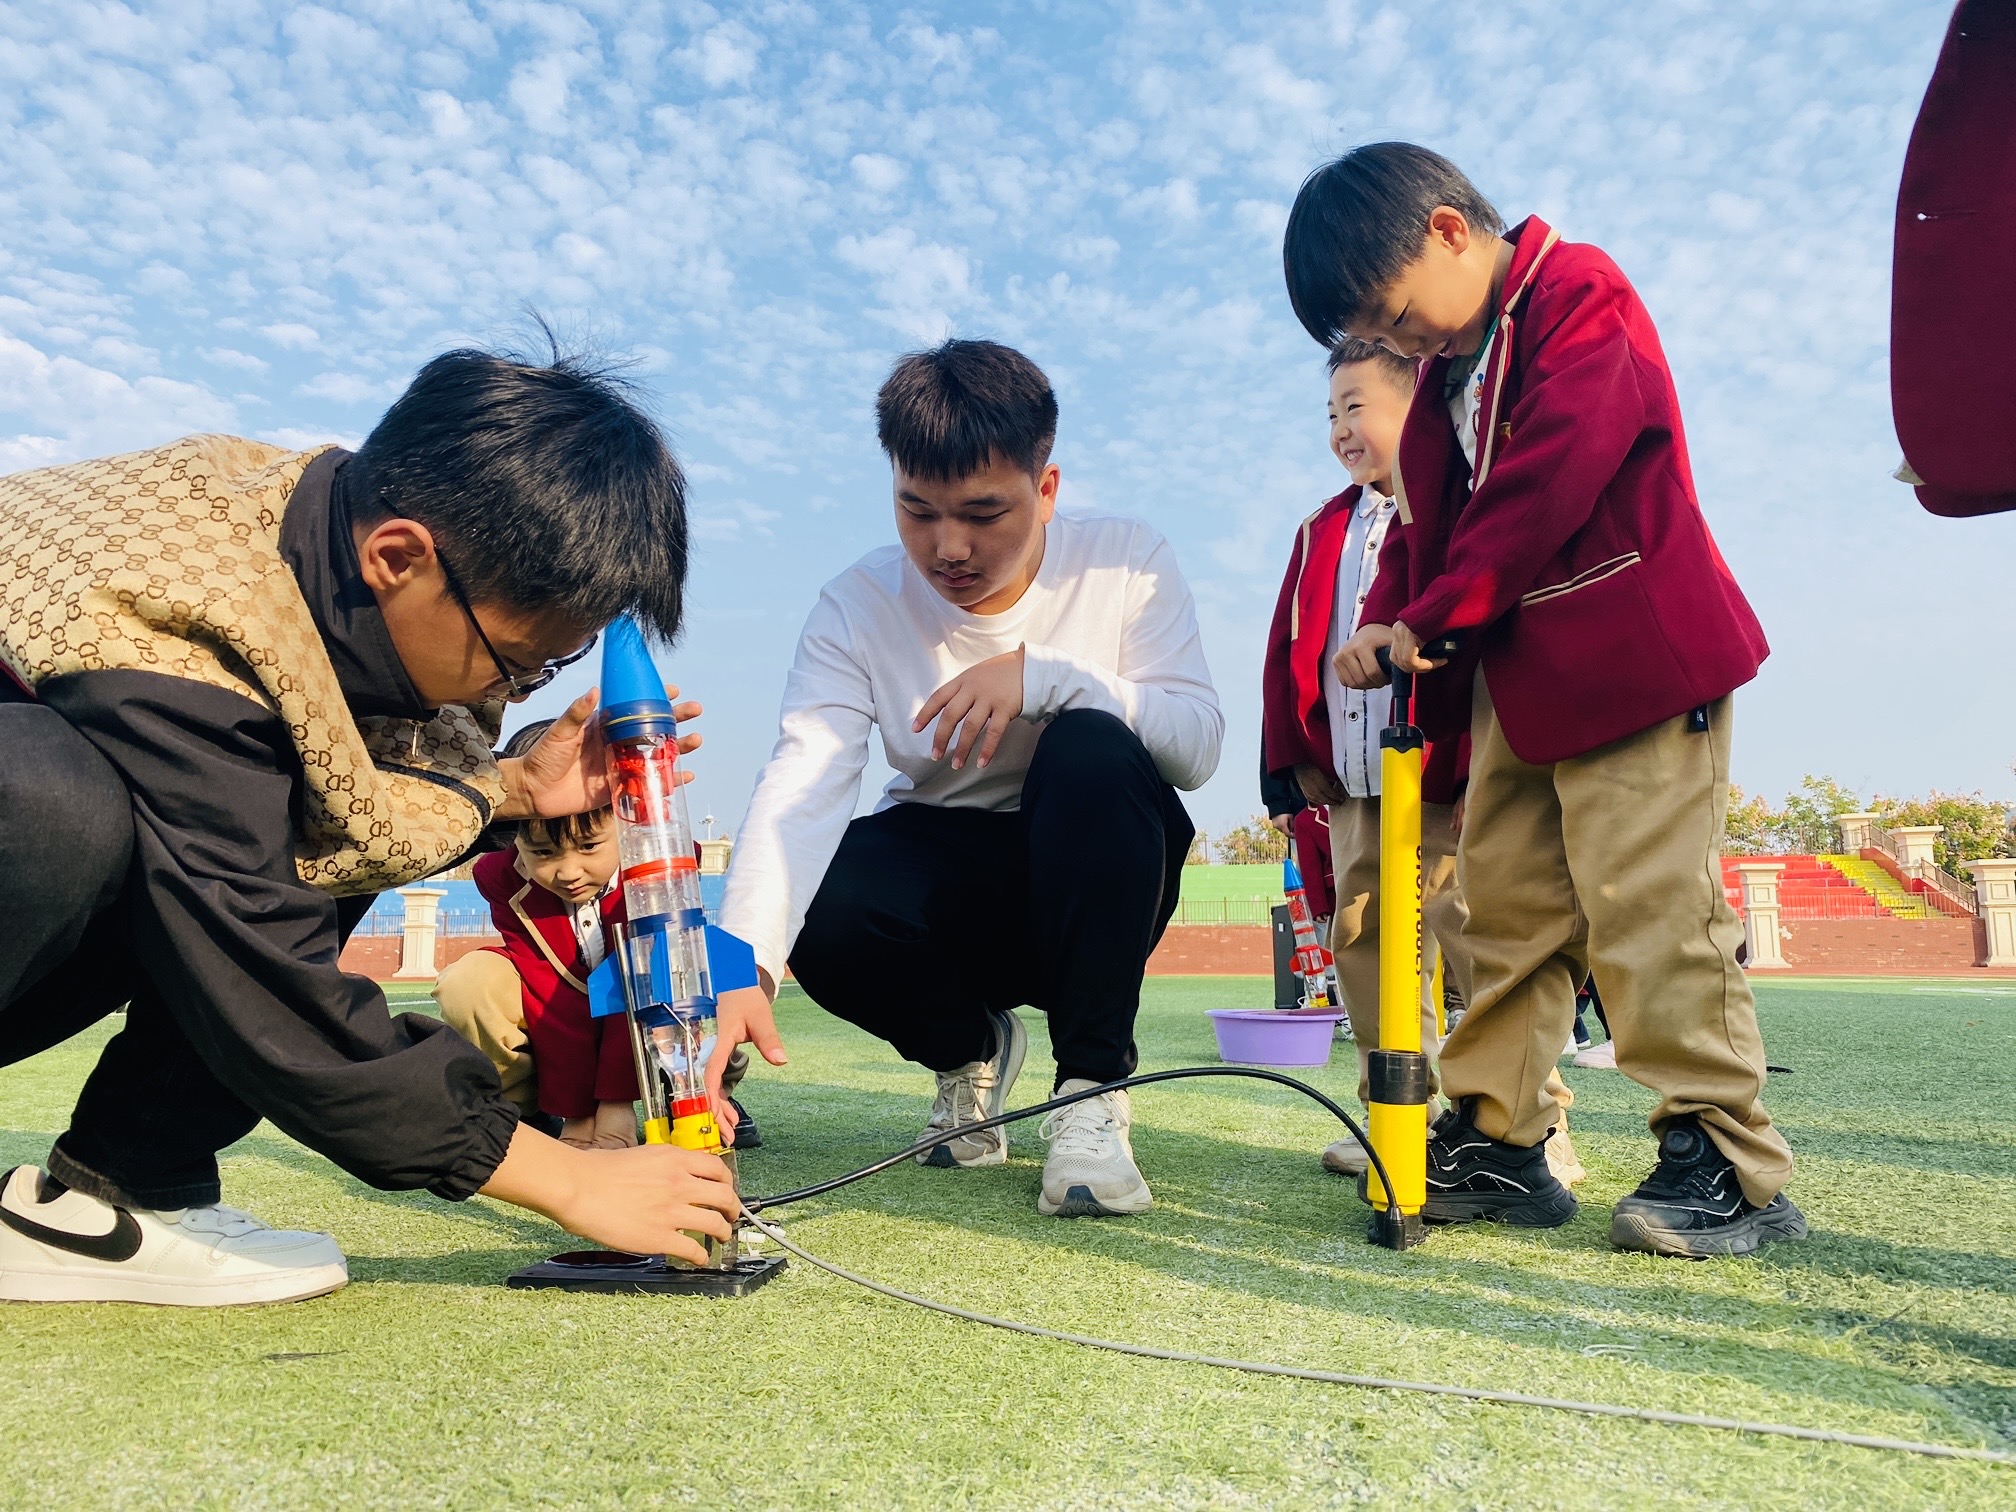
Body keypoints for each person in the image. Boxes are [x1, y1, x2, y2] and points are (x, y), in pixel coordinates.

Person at [0, 346, 739, 1306]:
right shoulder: (183, 614)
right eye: (515, 662)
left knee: (333, 802)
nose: (513, 693)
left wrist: (518, 786)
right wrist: (565, 1178)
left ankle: (120, 1190)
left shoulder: (316, 533)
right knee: (51, 800)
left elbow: (334, 815)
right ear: (398, 557)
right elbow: (256, 962)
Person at [1285, 142, 1802, 1258]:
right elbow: (1426, 523)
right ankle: (1502, 1137)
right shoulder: (1445, 380)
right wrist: (1392, 614)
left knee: (1648, 901)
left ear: (1448, 230)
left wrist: (1435, 612)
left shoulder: (1579, 293)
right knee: (1505, 910)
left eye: (1395, 315)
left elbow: (1555, 471)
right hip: (1515, 682)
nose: (1400, 345)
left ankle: (1727, 1155)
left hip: (1633, 659)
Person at [710, 338, 1222, 1218]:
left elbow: (1199, 747)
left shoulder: (1125, 558)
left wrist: (1046, 677)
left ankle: (1091, 1091)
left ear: (1046, 489)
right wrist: (742, 963)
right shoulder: (857, 604)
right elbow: (803, 778)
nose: (948, 548)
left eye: (984, 514)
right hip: (946, 883)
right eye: (916, 511)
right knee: (823, 886)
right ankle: (971, 1050)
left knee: (1091, 747)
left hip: (1095, 874)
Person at [1260, 337, 1580, 1187]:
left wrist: (1482, 765)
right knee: (1361, 935)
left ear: (1418, 409)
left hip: (1440, 766)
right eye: (1331, 413)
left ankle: (1531, 1119)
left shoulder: (1460, 508)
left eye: (1356, 406)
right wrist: (1292, 759)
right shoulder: (1322, 529)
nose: (1340, 428)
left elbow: (1483, 637)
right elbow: (1289, 645)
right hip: (1358, 778)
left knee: (1472, 931)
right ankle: (1401, 1116)